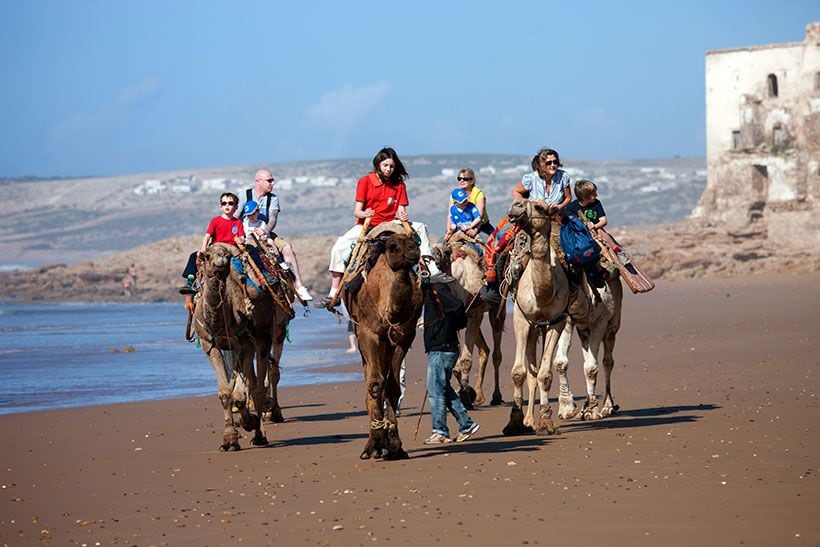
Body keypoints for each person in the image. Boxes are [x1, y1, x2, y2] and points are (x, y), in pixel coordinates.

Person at [316, 147, 450, 308]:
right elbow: (356, 211)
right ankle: (334, 291)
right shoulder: (365, 181)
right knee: (339, 247)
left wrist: (403, 216)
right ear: (378, 164)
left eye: (392, 166)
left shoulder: (399, 184)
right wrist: (365, 213)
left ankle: (432, 269)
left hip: (392, 224)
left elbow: (401, 210)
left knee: (421, 226)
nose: (389, 169)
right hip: (369, 224)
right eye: (386, 165)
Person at [480, 147, 572, 305]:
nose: (552, 165)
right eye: (548, 162)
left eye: (555, 162)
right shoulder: (531, 178)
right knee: (503, 244)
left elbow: (568, 198)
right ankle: (497, 287)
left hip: (555, 218)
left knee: (570, 250)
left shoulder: (563, 177)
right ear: (541, 164)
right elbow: (516, 191)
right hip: (533, 221)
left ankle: (576, 289)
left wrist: (559, 206)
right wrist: (526, 205)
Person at [238, 170, 312, 302]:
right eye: (269, 180)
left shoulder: (273, 198)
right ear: (258, 181)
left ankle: (299, 286)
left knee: (287, 247)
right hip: (246, 235)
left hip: (265, 232)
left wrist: (265, 231)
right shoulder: (245, 195)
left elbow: (272, 219)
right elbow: (236, 217)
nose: (273, 183)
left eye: (272, 180)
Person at [422, 281, 481, 444]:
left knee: (435, 392)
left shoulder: (437, 289)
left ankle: (440, 431)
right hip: (440, 348)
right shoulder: (430, 292)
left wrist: (456, 324)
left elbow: (457, 307)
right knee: (444, 389)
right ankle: (467, 425)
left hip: (442, 349)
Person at [179, 193, 245, 311]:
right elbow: (207, 236)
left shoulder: (238, 223)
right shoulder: (216, 221)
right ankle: (190, 282)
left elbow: (241, 238)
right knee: (194, 256)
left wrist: (241, 240)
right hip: (216, 249)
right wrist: (203, 249)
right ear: (221, 206)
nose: (227, 206)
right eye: (224, 203)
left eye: (230, 203)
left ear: (236, 207)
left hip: (230, 250)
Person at [447, 168, 494, 237]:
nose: (461, 181)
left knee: (495, 241)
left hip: (481, 226)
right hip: (459, 226)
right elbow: (450, 215)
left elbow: (479, 216)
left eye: (465, 179)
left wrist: (475, 230)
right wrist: (448, 231)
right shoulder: (455, 195)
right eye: (459, 178)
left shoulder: (478, 194)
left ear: (472, 181)